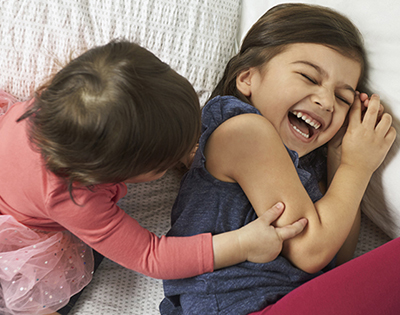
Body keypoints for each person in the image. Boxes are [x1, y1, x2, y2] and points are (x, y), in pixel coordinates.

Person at [0, 40, 308, 315]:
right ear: (110, 175)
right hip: (12, 227)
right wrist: (242, 243)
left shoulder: (66, 102)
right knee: (37, 301)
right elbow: (151, 256)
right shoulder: (75, 199)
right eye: (166, 162)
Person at [160, 3, 399, 315]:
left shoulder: (305, 165)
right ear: (248, 78)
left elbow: (337, 256)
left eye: (343, 98)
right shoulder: (242, 130)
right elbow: (311, 249)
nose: (326, 101)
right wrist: (359, 167)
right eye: (308, 76)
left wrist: (340, 160)